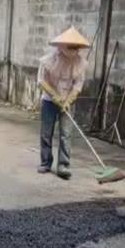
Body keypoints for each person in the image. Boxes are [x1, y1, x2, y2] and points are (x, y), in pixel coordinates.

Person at [37, 26, 89, 180]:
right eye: (70, 46)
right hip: (49, 101)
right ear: (62, 46)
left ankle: (63, 165)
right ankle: (46, 162)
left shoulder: (80, 63)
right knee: (46, 132)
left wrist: (68, 100)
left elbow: (78, 85)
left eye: (76, 47)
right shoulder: (48, 60)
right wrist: (55, 97)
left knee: (66, 134)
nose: (73, 50)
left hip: (68, 102)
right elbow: (41, 81)